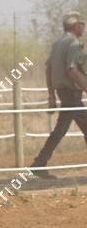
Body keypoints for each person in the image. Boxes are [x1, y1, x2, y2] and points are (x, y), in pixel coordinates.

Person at [30, 12, 87, 178]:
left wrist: (52, 96)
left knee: (60, 130)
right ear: (76, 26)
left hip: (64, 93)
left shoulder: (57, 43)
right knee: (61, 130)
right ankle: (39, 163)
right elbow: (72, 70)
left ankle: (39, 163)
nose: (83, 27)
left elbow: (48, 70)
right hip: (72, 94)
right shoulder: (74, 43)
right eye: (82, 24)